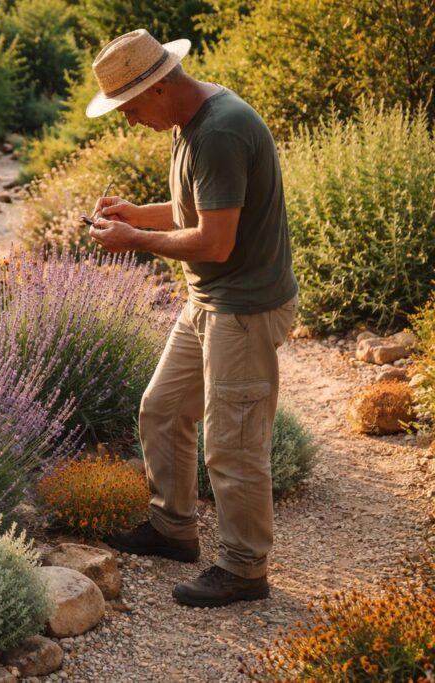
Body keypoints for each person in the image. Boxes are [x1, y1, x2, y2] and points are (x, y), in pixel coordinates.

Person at [82, 29, 299, 607]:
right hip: (211, 300)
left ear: (156, 88)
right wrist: (137, 213)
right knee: (160, 410)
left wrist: (136, 239)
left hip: (243, 307)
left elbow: (216, 241)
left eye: (128, 109)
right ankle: (173, 529)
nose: (128, 122)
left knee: (232, 443)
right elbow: (199, 208)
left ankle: (245, 568)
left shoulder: (221, 131)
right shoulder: (190, 121)